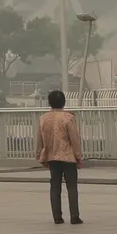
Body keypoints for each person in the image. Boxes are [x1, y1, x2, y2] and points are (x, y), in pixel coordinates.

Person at [35, 90, 83, 225]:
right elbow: (74, 139)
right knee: (71, 186)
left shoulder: (43, 118)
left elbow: (40, 138)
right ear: (63, 102)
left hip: (51, 156)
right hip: (67, 156)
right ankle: (74, 216)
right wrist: (78, 156)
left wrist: (39, 153)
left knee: (55, 186)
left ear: (49, 102)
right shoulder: (68, 118)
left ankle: (57, 217)